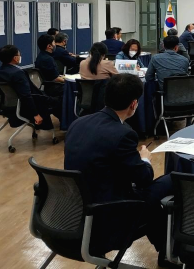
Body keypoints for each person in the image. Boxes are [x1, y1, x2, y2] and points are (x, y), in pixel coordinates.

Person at [64, 74, 175, 267]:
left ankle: (166, 252)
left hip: (74, 213)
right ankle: (171, 251)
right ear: (134, 104)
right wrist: (144, 159)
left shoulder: (77, 124)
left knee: (151, 204)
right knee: (171, 180)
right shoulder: (123, 134)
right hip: (107, 217)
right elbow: (144, 179)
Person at [0, 45, 60, 127]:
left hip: (6, 106)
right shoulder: (18, 73)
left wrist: (0, 107)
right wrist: (35, 114)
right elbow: (26, 96)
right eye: (19, 55)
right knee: (61, 101)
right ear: (15, 58)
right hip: (25, 107)